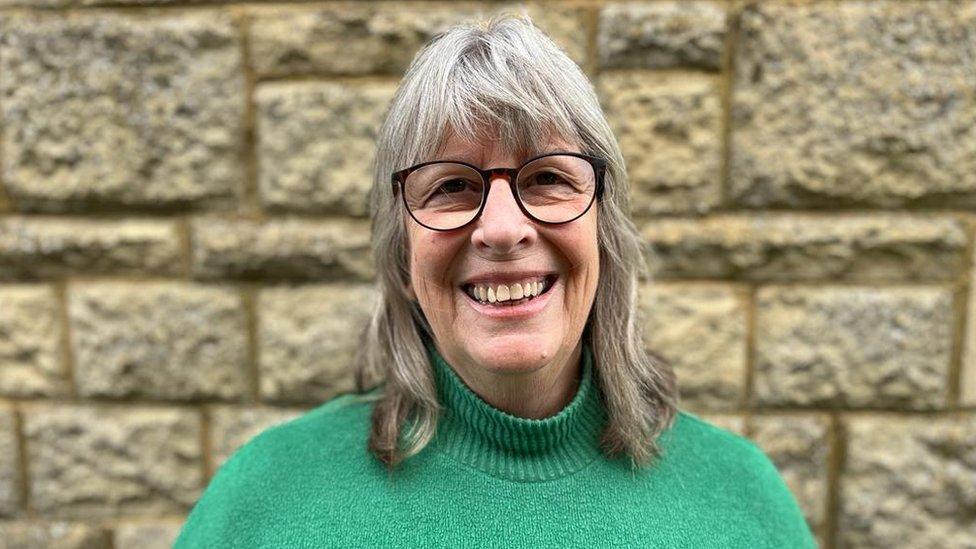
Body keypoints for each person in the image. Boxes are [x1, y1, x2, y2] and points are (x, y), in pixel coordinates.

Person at [174, 14, 817, 548]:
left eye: (548, 178)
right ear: (401, 248)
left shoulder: (741, 502)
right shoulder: (267, 502)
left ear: (604, 229)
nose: (503, 229)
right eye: (452, 186)